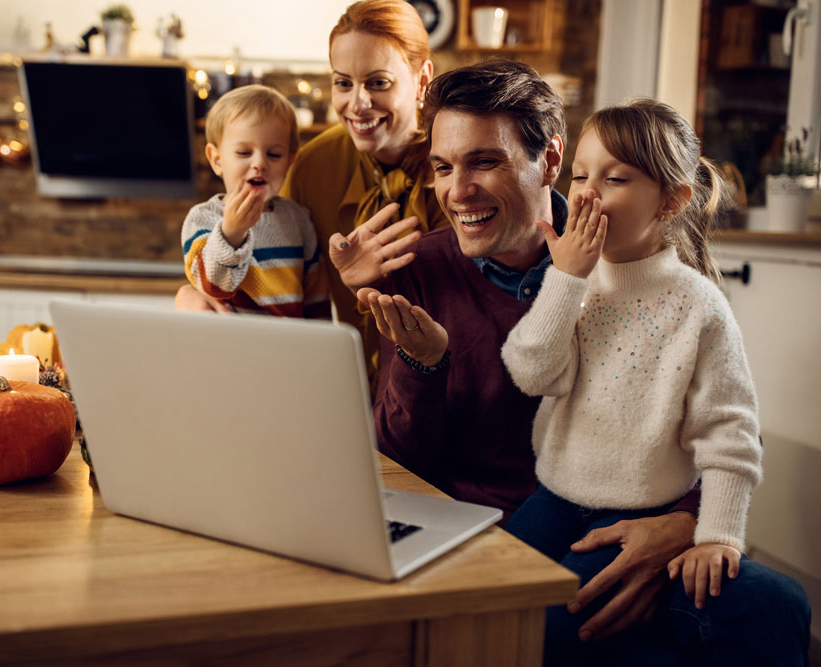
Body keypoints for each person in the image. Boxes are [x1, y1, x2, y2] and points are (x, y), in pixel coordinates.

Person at [353, 60, 810, 665]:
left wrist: (687, 524)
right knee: (562, 626)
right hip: (504, 519)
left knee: (776, 605)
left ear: (548, 161)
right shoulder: (420, 266)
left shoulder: (636, 261)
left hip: (638, 511)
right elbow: (403, 455)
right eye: (442, 167)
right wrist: (424, 364)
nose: (456, 191)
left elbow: (723, 427)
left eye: (484, 161)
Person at [499, 99, 763, 662]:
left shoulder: (699, 307)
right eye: (580, 174)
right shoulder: (573, 283)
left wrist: (715, 534)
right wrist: (566, 281)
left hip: (636, 516)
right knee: (486, 600)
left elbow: (731, 434)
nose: (589, 193)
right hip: (554, 499)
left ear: (671, 201)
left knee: (553, 627)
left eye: (615, 178)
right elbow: (530, 372)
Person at [177, 0, 447, 378]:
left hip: (441, 394)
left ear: (422, 79)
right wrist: (190, 294)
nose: (358, 103)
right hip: (345, 390)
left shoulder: (455, 165)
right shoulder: (314, 163)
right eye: (343, 83)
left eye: (378, 82)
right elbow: (265, 251)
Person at [181, 85, 328, 318]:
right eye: (243, 153)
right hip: (231, 345)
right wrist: (231, 233)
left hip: (288, 347)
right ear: (217, 160)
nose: (260, 163)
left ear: (289, 161)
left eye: (274, 154)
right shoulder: (203, 218)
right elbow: (212, 286)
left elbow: (316, 296)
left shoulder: (298, 219)